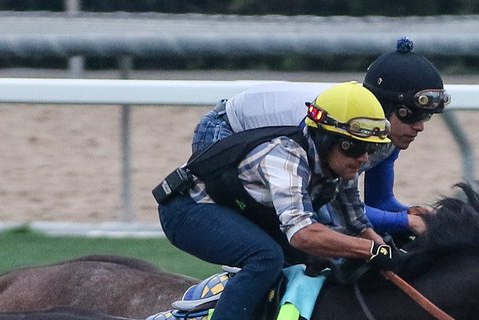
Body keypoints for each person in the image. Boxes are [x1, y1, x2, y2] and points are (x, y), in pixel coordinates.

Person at [156, 81, 399, 320]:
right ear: (324, 139)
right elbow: (303, 235)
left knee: (321, 262)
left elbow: (357, 226)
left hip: (231, 208)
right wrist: (371, 252)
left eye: (371, 149)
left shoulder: (342, 167)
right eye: (356, 147)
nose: (364, 159)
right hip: (185, 210)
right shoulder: (285, 155)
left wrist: (395, 260)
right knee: (265, 257)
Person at [191, 38, 449, 242]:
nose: (419, 126)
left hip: (259, 134)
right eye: (410, 114)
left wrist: (414, 214)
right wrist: (407, 222)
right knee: (298, 237)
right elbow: (333, 213)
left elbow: (377, 203)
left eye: (425, 116)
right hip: (225, 131)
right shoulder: (341, 122)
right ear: (383, 104)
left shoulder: (382, 131)